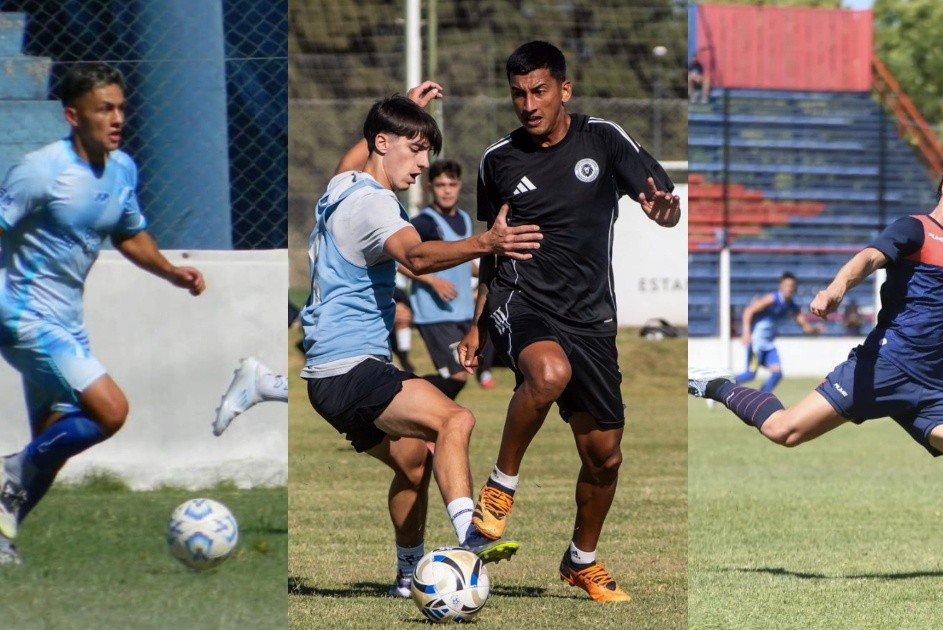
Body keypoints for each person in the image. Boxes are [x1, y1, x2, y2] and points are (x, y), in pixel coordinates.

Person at [688, 150, 943, 589]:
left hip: (931, 390)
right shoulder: (914, 228)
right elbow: (868, 257)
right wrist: (836, 288)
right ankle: (715, 384)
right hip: (884, 368)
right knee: (783, 430)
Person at [217, 82, 541, 597]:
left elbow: (356, 155)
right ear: (384, 143)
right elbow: (416, 257)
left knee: (414, 462)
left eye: (426, 152)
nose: (422, 165)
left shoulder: (342, 186)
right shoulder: (374, 206)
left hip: (330, 375)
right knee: (455, 419)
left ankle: (407, 575)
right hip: (352, 369)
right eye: (416, 149)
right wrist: (488, 242)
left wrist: (406, 111)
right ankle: (470, 535)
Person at [0, 62, 207, 565]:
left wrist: (171, 272)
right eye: (104, 109)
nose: (117, 119)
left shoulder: (122, 168)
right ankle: (11, 468)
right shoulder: (40, 171)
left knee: (52, 445)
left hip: (66, 324)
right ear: (73, 116)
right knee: (111, 411)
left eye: (121, 108)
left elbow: (128, 233)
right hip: (25, 319)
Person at [458, 41, 681, 603]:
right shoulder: (497, 160)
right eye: (518, 94)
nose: (528, 104)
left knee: (605, 457)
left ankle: (581, 560)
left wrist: (666, 212)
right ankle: (500, 486)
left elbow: (661, 200)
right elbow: (494, 247)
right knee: (548, 373)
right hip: (522, 299)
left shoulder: (602, 139)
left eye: (539, 91)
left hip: (592, 318)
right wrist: (478, 321)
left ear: (564, 90)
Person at [398, 159, 476, 400]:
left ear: (459, 185)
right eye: (441, 185)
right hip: (436, 314)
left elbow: (464, 260)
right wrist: (434, 281)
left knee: (458, 375)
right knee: (456, 375)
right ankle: (395, 392)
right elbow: (399, 261)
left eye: (452, 184)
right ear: (430, 187)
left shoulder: (464, 218)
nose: (447, 190)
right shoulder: (423, 223)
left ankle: (423, 418)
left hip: (463, 311)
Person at [735, 271, 822, 393]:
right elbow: (749, 311)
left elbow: (805, 326)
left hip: (769, 345)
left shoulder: (792, 306)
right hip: (756, 343)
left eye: (791, 286)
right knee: (750, 374)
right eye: (786, 285)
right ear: (781, 286)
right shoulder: (771, 299)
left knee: (777, 373)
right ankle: (721, 386)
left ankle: (762, 397)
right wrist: (746, 332)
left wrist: (814, 329)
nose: (789, 289)